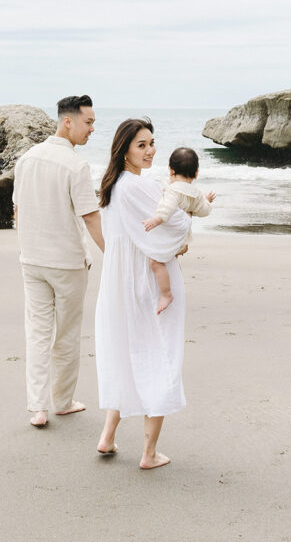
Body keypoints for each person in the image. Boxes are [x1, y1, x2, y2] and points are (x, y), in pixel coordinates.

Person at [94, 118, 191, 469]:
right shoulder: (137, 186)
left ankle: (107, 436)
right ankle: (149, 453)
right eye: (141, 145)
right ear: (125, 149)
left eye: (152, 143)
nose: (150, 151)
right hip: (144, 283)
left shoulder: (112, 185)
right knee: (158, 356)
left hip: (120, 281)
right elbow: (177, 222)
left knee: (124, 354)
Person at [13, 94, 104, 428]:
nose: (92, 129)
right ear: (69, 121)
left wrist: (26, 246)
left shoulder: (26, 158)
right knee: (65, 335)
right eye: (88, 122)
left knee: (37, 333)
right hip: (66, 263)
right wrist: (115, 253)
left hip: (32, 260)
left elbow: (18, 210)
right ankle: (62, 401)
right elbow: (91, 217)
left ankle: (38, 407)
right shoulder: (75, 165)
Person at [143, 147, 216, 315]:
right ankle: (173, 281)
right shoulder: (196, 194)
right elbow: (204, 211)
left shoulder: (173, 190)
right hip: (183, 240)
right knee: (170, 263)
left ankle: (166, 294)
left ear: (171, 170)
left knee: (155, 262)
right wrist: (207, 200)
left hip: (172, 237)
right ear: (196, 173)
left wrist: (156, 219)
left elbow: (166, 208)